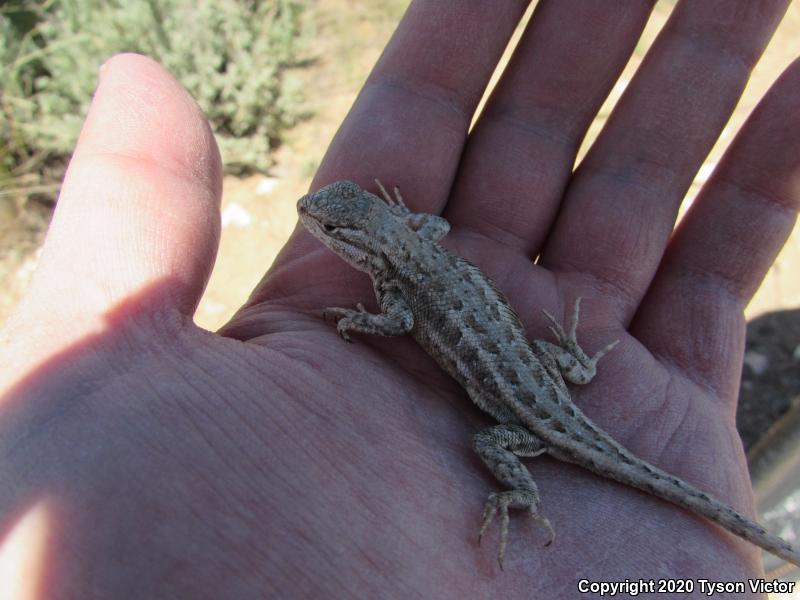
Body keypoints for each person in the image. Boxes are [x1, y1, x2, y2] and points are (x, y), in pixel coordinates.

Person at [1, 1, 798, 596]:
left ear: (364, 241)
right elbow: (436, 225)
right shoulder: (415, 242)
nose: (318, 227)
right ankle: (752, 538)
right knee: (559, 374)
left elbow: (400, 321)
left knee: (489, 450)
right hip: (556, 386)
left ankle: (520, 497)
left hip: (528, 422)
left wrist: (358, 320)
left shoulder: (396, 279)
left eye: (335, 225)